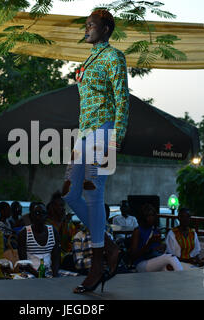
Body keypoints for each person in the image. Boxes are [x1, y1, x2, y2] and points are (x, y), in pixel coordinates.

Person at [60, 9, 127, 293]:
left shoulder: (114, 57)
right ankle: (110, 247)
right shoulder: (88, 59)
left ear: (106, 29)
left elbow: (122, 98)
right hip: (84, 132)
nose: (86, 29)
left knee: (92, 191)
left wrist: (118, 136)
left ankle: (97, 263)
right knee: (69, 193)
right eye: (86, 25)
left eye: (91, 25)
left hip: (104, 129)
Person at [128, 204, 183, 273]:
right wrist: (149, 244)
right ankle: (182, 277)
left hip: (154, 259)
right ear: (143, 217)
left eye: (153, 215)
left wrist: (161, 247)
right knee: (171, 258)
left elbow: (156, 250)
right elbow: (133, 256)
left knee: (168, 269)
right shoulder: (138, 231)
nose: (151, 218)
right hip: (141, 263)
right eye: (148, 216)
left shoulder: (155, 230)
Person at [17, 203, 60, 278]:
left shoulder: (53, 231)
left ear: (47, 216)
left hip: (49, 271)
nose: (40, 216)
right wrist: (39, 275)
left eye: (43, 213)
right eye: (37, 213)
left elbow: (56, 257)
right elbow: (23, 262)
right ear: (31, 216)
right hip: (30, 272)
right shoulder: (24, 233)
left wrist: (55, 275)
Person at [45, 192, 78, 268]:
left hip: (67, 257)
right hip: (52, 258)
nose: (63, 208)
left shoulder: (68, 223)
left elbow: (74, 239)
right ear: (52, 207)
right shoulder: (46, 224)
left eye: (63, 206)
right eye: (60, 206)